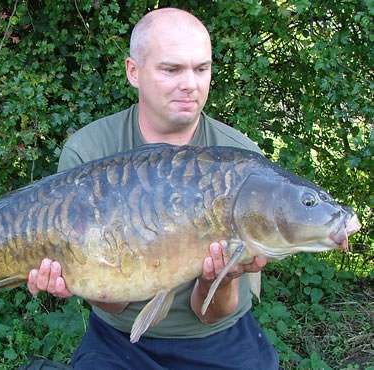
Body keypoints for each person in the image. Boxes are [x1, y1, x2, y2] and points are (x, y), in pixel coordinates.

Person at [27, 8, 279, 370]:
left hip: (219, 336)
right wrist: (77, 278)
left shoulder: (242, 166)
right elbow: (112, 303)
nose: (190, 83)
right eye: (171, 69)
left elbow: (212, 314)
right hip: (117, 335)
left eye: (201, 69)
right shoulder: (90, 151)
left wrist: (220, 278)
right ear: (133, 71)